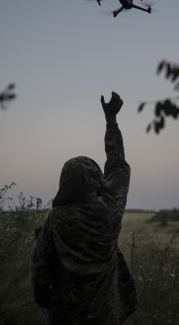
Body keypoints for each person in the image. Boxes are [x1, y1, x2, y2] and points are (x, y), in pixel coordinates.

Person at [31, 91, 138, 324]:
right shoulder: (110, 210)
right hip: (105, 316)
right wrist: (111, 121)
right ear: (97, 182)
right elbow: (117, 164)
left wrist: (44, 299)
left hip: (64, 316)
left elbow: (40, 268)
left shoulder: (55, 220)